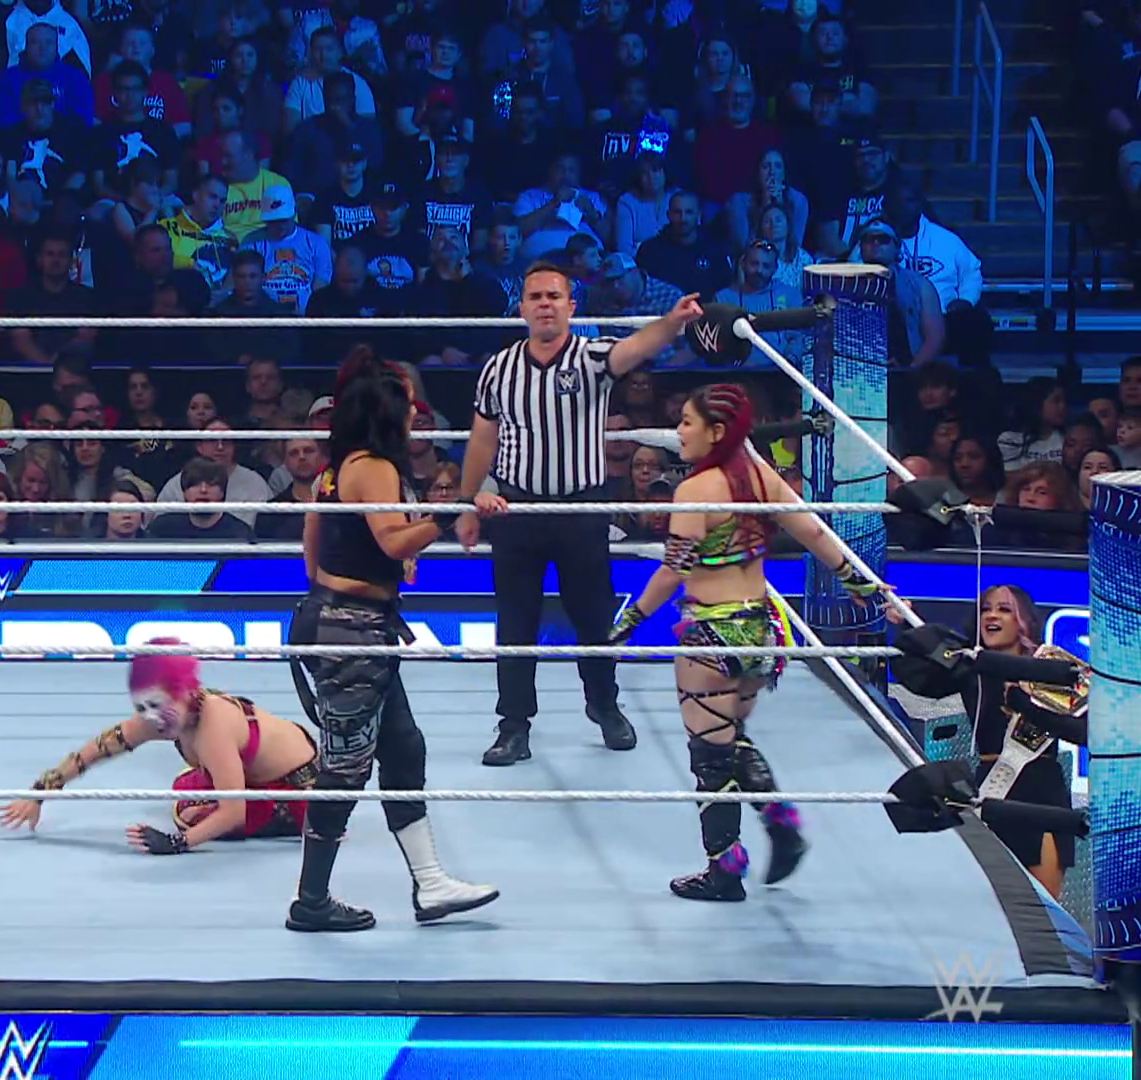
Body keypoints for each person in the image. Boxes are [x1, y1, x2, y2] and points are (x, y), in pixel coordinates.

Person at [609, 384, 901, 901]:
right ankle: (780, 822)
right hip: (763, 631)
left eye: (688, 423)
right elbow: (813, 533)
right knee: (730, 737)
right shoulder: (761, 477)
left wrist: (630, 619)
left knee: (710, 755)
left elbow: (674, 570)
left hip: (712, 634)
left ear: (717, 431)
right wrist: (862, 586)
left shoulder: (696, 490)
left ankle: (725, 868)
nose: (679, 432)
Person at [286, 349, 505, 933]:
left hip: (349, 620)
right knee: (345, 769)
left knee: (404, 748)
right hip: (353, 629)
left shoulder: (337, 467)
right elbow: (392, 541)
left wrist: (326, 594)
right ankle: (310, 901)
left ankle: (430, 883)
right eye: (409, 407)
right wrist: (453, 512)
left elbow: (314, 534)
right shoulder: (375, 467)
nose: (416, 417)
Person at [457, 260, 704, 767]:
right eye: (535, 297)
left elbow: (636, 347)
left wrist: (673, 322)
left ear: (571, 306)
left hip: (581, 509)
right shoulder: (499, 368)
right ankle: (514, 725)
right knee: (515, 622)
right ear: (522, 308)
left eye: (554, 296)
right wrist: (468, 502)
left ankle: (605, 705)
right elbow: (482, 439)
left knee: (592, 617)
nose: (545, 304)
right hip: (517, 508)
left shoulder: (591, 358)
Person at [0, 641, 321, 853]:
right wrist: (40, 791)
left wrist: (176, 843)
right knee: (185, 789)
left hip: (301, 790)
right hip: (254, 771)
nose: (150, 717)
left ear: (187, 693)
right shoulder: (168, 714)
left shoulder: (213, 728)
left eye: (156, 705)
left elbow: (233, 813)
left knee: (191, 816)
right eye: (141, 707)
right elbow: (100, 748)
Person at [957, 584, 1086, 900]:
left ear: (1023, 621)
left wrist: (1024, 704)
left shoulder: (1049, 669)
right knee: (988, 902)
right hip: (992, 787)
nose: (991, 615)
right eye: (986, 609)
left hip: (1041, 793)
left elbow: (1083, 733)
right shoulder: (972, 670)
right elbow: (930, 658)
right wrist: (903, 620)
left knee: (1041, 906)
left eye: (1004, 609)